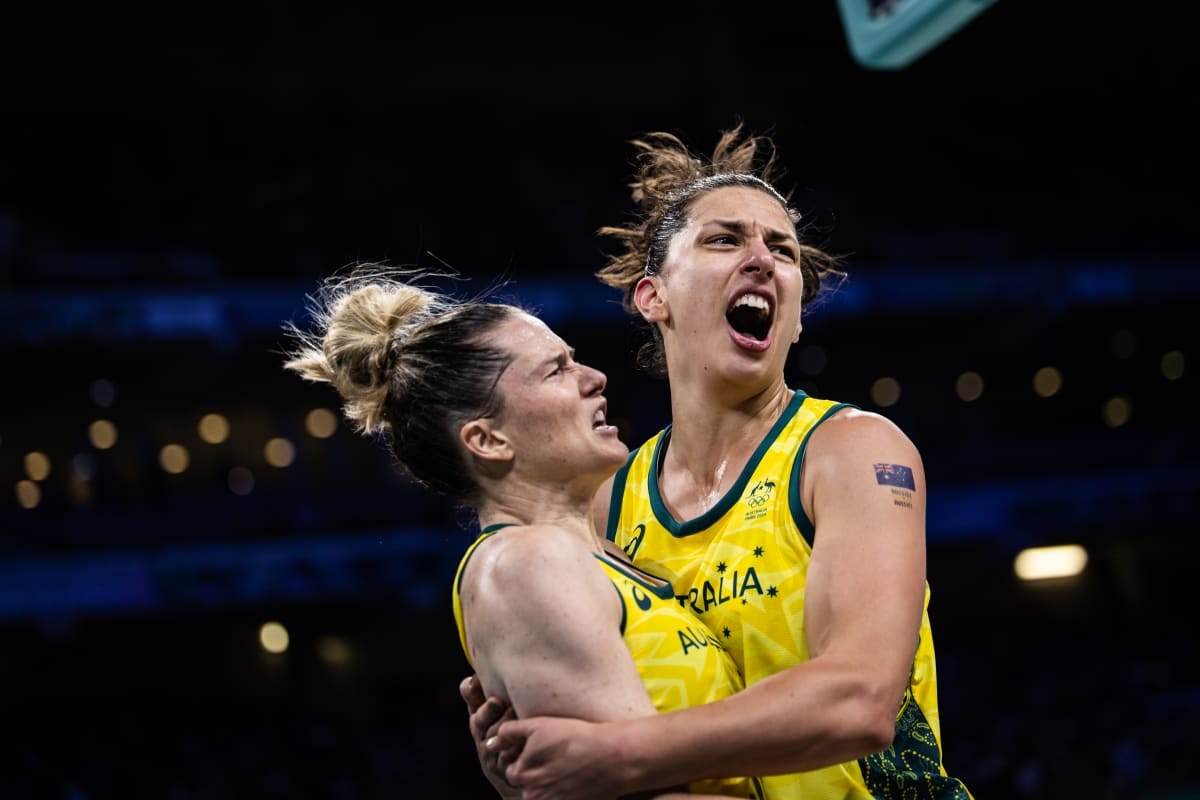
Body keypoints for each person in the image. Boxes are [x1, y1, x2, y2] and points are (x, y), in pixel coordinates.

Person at [463, 125, 976, 799]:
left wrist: (623, 754)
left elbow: (861, 702)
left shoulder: (852, 450)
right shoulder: (610, 501)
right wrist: (528, 776)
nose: (762, 259)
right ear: (654, 297)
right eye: (725, 240)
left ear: (796, 318)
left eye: (783, 250)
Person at [281, 265, 766, 799]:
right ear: (488, 440)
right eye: (556, 370)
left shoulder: (601, 554)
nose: (594, 378)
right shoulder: (526, 563)